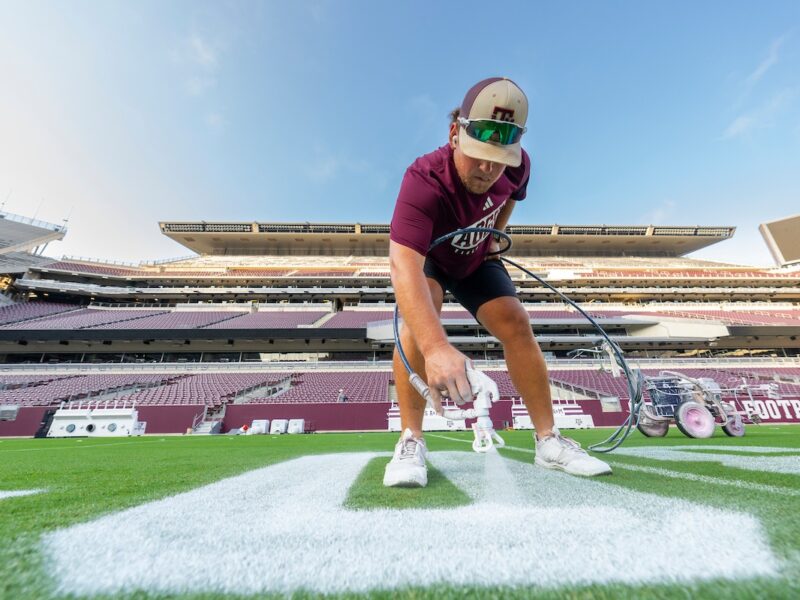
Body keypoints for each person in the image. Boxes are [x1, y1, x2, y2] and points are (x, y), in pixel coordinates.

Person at [384, 77, 611, 488]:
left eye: (499, 158)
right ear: (455, 133)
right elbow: (404, 266)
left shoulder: (518, 167)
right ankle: (411, 439)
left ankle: (549, 441)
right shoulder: (423, 180)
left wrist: (490, 240)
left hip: (475, 257)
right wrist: (437, 347)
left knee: (516, 321)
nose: (489, 169)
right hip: (432, 260)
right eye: (479, 156)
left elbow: (509, 197)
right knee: (417, 329)